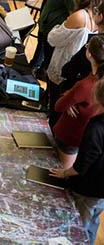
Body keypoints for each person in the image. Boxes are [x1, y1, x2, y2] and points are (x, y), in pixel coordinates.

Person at [50, 79, 104, 245]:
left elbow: (82, 164)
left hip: (90, 187)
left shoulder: (96, 127)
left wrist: (64, 172)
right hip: (100, 190)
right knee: (94, 217)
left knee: (80, 223)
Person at [46, 0, 103, 123]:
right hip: (81, 73)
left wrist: (59, 25)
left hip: (65, 68)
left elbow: (52, 38)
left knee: (56, 109)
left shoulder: (79, 16)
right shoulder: (96, 17)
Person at [52, 36, 104, 169]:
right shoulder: (95, 79)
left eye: (86, 46)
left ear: (90, 54)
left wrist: (69, 99)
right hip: (87, 136)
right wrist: (72, 98)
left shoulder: (86, 84)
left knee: (62, 171)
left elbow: (58, 106)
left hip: (72, 134)